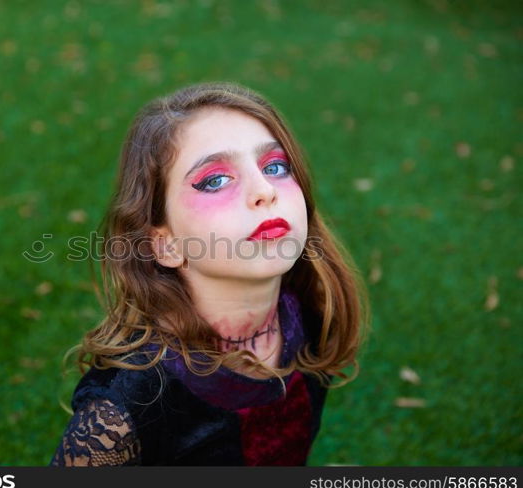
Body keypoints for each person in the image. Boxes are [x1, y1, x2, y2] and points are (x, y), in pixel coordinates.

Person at [49, 81, 369, 466]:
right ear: (164, 244)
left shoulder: (311, 313)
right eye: (216, 179)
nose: (265, 189)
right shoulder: (128, 403)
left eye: (275, 166)